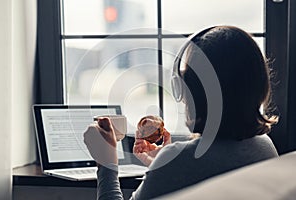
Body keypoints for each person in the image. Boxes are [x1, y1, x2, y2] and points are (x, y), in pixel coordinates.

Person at [83, 26, 279, 200]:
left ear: (192, 91)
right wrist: (160, 167)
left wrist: (106, 163)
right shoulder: (265, 147)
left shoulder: (179, 160)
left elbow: (189, 167)